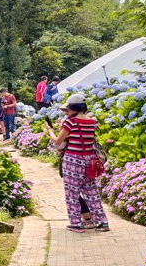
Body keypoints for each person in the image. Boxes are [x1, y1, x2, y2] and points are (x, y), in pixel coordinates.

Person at [46, 93, 109, 233]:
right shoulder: (91, 121)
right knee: (92, 192)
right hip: (89, 160)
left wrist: (50, 131)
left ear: (73, 107)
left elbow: (58, 142)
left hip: (72, 161)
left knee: (72, 194)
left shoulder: (70, 122)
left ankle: (76, 223)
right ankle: (102, 222)